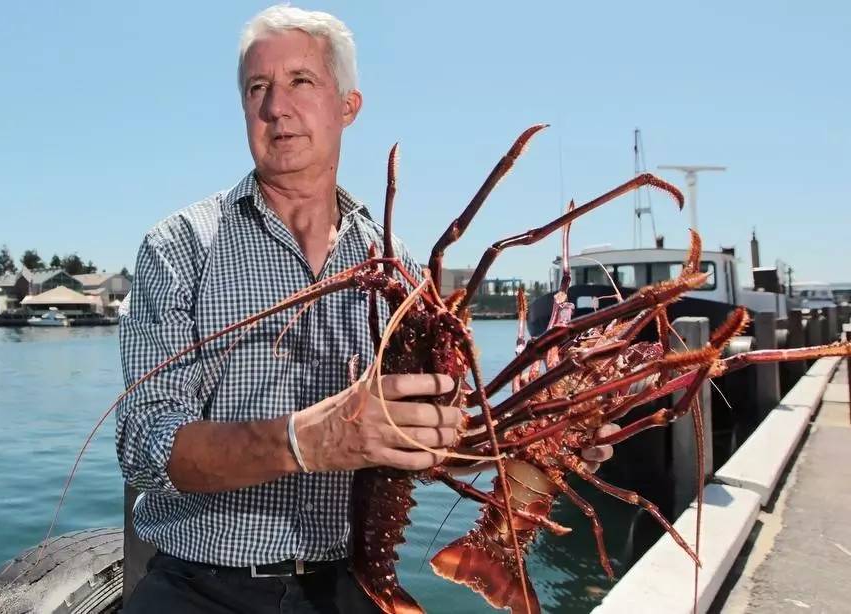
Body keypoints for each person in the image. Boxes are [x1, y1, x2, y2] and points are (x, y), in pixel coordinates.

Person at [117, 6, 614, 613]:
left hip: (349, 585)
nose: (276, 107)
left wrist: (546, 440)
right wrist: (309, 440)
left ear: (348, 105)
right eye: (257, 88)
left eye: (301, 81)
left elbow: (428, 441)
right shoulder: (178, 246)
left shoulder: (396, 261)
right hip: (199, 588)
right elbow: (144, 445)